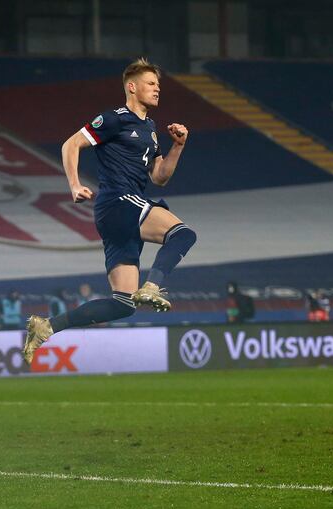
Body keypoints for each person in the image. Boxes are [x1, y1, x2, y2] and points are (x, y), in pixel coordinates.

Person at [23, 58, 196, 363]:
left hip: (123, 212)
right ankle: (154, 285)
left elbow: (160, 177)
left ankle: (47, 327)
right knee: (183, 234)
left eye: (158, 84)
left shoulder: (151, 128)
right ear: (132, 87)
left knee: (123, 304)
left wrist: (178, 146)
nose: (157, 89)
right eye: (151, 83)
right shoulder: (115, 118)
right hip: (118, 201)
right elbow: (70, 145)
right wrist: (74, 184)